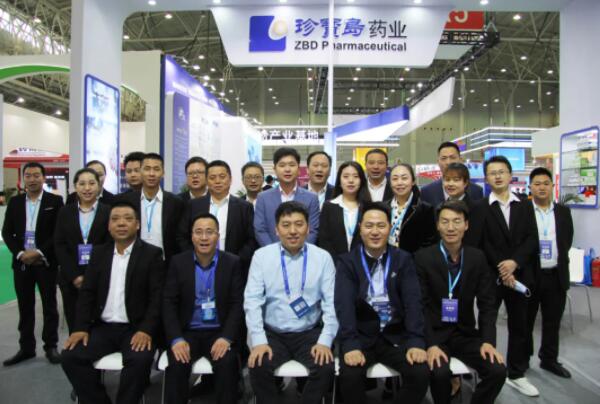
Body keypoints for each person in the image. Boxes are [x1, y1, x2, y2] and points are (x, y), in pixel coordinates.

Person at [61, 201, 165, 404]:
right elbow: (87, 294)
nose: (121, 223)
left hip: (135, 329)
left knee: (140, 360)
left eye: (128, 219)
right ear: (109, 226)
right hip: (103, 328)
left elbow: (157, 298)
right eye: (115, 219)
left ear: (137, 225)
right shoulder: (99, 253)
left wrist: (146, 330)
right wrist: (80, 328)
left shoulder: (152, 254)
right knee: (71, 356)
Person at [335, 202, 429, 404]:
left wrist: (415, 341)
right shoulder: (347, 262)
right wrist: (350, 344)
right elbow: (344, 306)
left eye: (381, 225)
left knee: (420, 373)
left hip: (395, 336)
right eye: (369, 226)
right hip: (361, 336)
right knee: (350, 377)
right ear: (360, 228)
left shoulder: (403, 259)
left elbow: (413, 302)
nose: (375, 232)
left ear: (390, 228)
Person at [245, 201, 338, 404]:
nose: (293, 231)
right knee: (258, 364)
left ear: (308, 228)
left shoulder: (323, 258)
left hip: (309, 332)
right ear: (276, 230)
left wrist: (324, 341)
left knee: (325, 366)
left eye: (299, 224)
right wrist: (258, 341)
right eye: (286, 225)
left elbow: (331, 304)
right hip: (273, 333)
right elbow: (252, 301)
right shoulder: (261, 256)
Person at [416, 200, 506, 404]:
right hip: (435, 334)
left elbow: (487, 304)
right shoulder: (423, 258)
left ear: (466, 225)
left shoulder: (477, 257)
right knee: (439, 373)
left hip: (464, 333)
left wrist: (488, 341)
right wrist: (430, 344)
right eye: (445, 221)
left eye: (457, 221)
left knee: (497, 370)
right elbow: (419, 306)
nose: (451, 227)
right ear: (437, 225)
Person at [473, 155, 539, 397]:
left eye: (502, 172)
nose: (498, 176)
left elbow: (532, 239)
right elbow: (479, 243)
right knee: (487, 322)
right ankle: (489, 369)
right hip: (492, 276)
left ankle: (516, 373)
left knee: (520, 324)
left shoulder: (525, 205)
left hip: (520, 275)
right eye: (492, 173)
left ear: (511, 175)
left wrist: (514, 263)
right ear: (486, 178)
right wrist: (503, 267)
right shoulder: (480, 207)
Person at [163, 213, 244, 404]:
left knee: (227, 363)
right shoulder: (178, 262)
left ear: (218, 236)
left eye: (209, 232)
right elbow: (168, 303)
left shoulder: (232, 262)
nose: (204, 237)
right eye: (198, 232)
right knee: (177, 364)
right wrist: (176, 339)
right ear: (191, 236)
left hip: (219, 332)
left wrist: (226, 337)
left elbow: (237, 304)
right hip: (187, 332)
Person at [2, 162, 64, 366]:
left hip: (45, 262)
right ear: (23, 179)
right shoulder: (15, 202)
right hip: (22, 264)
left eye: (36, 175)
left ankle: (51, 346)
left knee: (49, 306)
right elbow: (7, 232)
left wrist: (38, 252)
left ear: (43, 178)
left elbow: (58, 232)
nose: (32, 179)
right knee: (25, 306)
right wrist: (21, 253)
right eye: (28, 175)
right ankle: (26, 348)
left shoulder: (55, 201)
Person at [526, 167, 574, 379]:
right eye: (537, 184)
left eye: (546, 183)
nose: (542, 187)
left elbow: (566, 241)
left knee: (552, 322)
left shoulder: (563, 212)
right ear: (530, 187)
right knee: (525, 321)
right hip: (530, 275)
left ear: (552, 186)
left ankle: (549, 359)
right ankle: (522, 359)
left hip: (555, 275)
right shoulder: (523, 211)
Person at [177, 160, 256, 278]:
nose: (217, 181)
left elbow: (251, 239)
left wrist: (236, 260)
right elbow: (182, 236)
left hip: (234, 268)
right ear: (207, 180)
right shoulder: (194, 205)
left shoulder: (244, 207)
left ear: (230, 179)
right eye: (212, 177)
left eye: (222, 177)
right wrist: (195, 258)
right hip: (198, 267)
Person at [54, 168, 111, 333]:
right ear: (75, 187)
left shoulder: (108, 211)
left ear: (98, 186)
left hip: (100, 278)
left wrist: (92, 276)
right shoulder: (65, 212)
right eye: (82, 184)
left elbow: (110, 245)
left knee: (98, 325)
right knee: (74, 323)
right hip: (71, 278)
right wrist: (75, 276)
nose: (87, 188)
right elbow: (60, 244)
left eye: (92, 183)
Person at [118, 152, 184, 264]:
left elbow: (179, 236)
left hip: (166, 263)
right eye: (147, 169)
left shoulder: (175, 202)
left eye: (156, 169)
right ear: (141, 172)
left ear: (163, 173)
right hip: (134, 261)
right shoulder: (126, 201)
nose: (151, 174)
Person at [254, 147, 320, 247]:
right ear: (275, 169)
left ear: (298, 169)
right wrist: (274, 252)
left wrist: (299, 251)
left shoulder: (312, 198)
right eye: (282, 165)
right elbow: (260, 230)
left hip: (303, 254)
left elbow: (313, 231)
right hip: (271, 254)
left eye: (292, 165)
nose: (287, 169)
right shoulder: (263, 198)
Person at [317, 161, 371, 261]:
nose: (351, 180)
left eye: (356, 176)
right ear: (339, 181)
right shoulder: (329, 206)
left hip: (363, 263)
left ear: (361, 180)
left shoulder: (369, 207)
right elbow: (324, 240)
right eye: (346, 176)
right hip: (334, 263)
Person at [384, 164, 437, 254]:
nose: (399, 182)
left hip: (413, 260)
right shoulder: (383, 207)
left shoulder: (425, 209)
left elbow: (429, 243)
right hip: (387, 259)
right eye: (395, 179)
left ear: (413, 181)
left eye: (404, 178)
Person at [420, 142, 484, 207]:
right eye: (444, 158)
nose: (448, 162)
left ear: (460, 160)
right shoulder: (427, 192)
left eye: (452, 157)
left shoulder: (476, 191)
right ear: (438, 162)